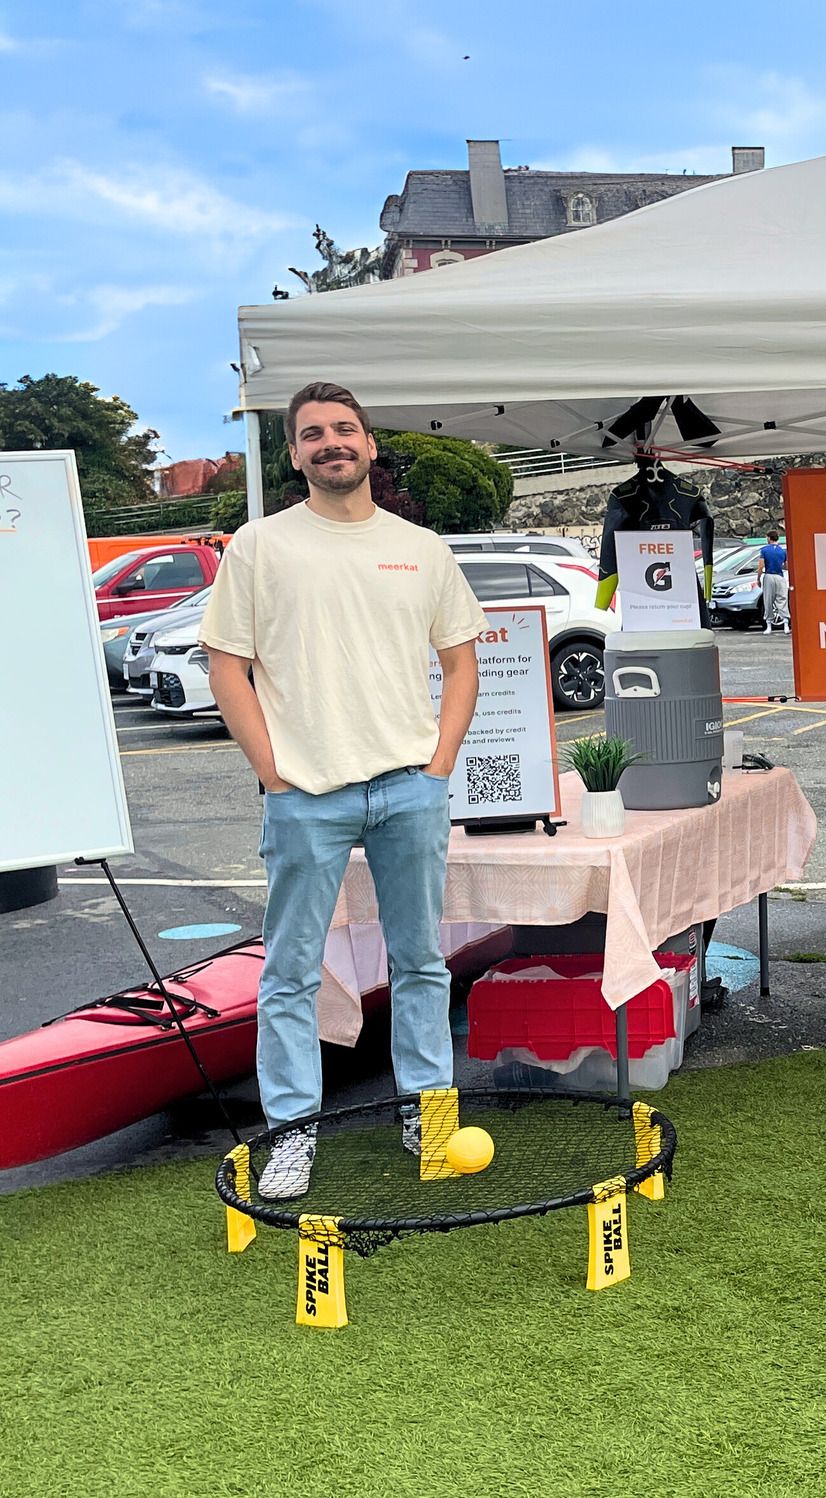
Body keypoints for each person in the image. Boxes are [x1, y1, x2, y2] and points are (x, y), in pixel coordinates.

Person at [199, 382, 486, 1199]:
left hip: (410, 789)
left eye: (345, 429)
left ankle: (429, 1119)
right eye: (314, 433)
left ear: (369, 444)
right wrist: (274, 775)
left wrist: (440, 763)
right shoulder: (259, 546)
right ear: (294, 455)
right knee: (290, 972)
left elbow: (461, 661)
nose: (332, 442)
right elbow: (227, 667)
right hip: (306, 797)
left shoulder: (421, 548)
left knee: (421, 963)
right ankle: (291, 1134)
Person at [757, 524, 790, 633]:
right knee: (782, 599)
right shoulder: (783, 551)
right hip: (780, 576)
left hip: (769, 575)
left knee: (768, 600)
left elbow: (761, 566)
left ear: (769, 538)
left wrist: (758, 578)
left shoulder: (764, 550)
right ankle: (786, 624)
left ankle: (769, 625)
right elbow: (786, 566)